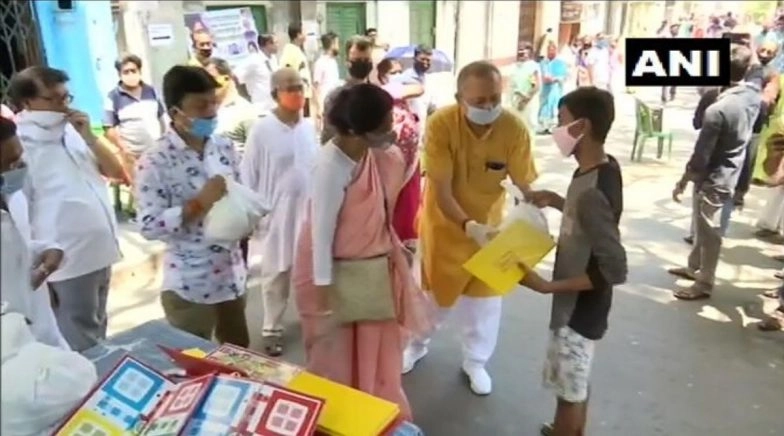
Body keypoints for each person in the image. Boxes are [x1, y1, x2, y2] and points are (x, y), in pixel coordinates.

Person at [291, 83, 432, 422]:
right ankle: (342, 421)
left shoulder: (370, 153)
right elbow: (321, 236)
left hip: (370, 273)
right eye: (385, 124)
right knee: (337, 360)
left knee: (375, 355)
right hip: (333, 276)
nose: (391, 129)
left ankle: (375, 414)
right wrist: (325, 298)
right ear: (358, 129)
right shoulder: (331, 165)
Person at [406, 61, 538, 395]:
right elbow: (442, 191)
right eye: (479, 101)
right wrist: (468, 226)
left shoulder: (514, 129)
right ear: (459, 97)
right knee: (432, 298)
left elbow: (524, 185)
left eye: (494, 98)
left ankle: (476, 362)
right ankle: (416, 344)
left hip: (492, 232)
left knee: (485, 303)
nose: (489, 107)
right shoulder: (441, 126)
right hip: (445, 227)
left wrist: (532, 216)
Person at [522, 86, 626, 436]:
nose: (557, 130)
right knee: (573, 384)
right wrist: (556, 201)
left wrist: (546, 286)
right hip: (580, 307)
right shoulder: (602, 168)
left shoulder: (593, 190)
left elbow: (613, 267)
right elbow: (594, 220)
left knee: (570, 391)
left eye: (562, 122)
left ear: (581, 127)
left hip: (578, 311)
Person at [9, 66, 125, 351]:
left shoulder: (72, 131)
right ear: (27, 103)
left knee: (97, 328)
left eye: (66, 97)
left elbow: (117, 172)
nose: (64, 106)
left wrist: (90, 137)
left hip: (100, 248)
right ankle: (89, 391)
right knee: (79, 338)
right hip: (66, 257)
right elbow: (17, 213)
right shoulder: (21, 146)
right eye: (54, 99)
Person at [134, 65, 251, 346]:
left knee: (240, 360)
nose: (211, 111)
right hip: (191, 286)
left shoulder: (223, 147)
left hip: (232, 276)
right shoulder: (155, 161)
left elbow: (241, 192)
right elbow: (149, 226)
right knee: (195, 364)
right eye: (201, 105)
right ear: (176, 112)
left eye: (214, 102)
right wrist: (197, 205)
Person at [669, 45, 761, 300]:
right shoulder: (752, 97)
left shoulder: (717, 109)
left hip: (714, 177)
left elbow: (701, 157)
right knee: (702, 225)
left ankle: (704, 283)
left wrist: (682, 182)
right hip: (731, 171)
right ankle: (693, 267)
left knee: (709, 233)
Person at [241, 68, 318, 356]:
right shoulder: (262, 130)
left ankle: (312, 324)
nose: (297, 93)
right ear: (275, 93)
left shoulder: (309, 127)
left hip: (309, 211)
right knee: (276, 273)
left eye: (300, 86)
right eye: (290, 88)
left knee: (309, 271)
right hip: (276, 213)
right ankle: (271, 328)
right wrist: (253, 215)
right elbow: (248, 174)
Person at [0, 117, 68, 348]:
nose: (18, 168)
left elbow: (14, 247)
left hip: (43, 330)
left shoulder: (14, 198)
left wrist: (47, 250)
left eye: (19, 158)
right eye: (9, 164)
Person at [320, 36, 424, 145]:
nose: (362, 63)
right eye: (357, 60)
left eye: (366, 60)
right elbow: (328, 135)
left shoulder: (376, 96)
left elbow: (382, 135)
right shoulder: (336, 97)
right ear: (347, 62)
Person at [377, 58, 423, 250]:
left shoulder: (404, 96)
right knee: (390, 196)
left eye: (399, 72)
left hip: (411, 157)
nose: (397, 76)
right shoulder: (381, 95)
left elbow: (419, 89)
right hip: (390, 157)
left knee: (409, 198)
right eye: (393, 73)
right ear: (381, 76)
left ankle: (407, 237)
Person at [103, 54, 166, 190]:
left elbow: (161, 118)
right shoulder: (113, 97)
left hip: (156, 153)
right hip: (133, 156)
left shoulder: (151, 91)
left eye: (134, 70)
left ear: (139, 71)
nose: (131, 74)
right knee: (141, 191)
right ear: (119, 74)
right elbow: (108, 129)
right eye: (126, 72)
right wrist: (124, 150)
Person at [204, 57, 258, 156]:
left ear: (227, 78)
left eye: (211, 79)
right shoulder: (206, 112)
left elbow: (259, 157)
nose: (206, 85)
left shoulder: (246, 112)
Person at [237, 34, 279, 115]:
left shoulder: (273, 59)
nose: (278, 45)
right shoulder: (253, 60)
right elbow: (236, 76)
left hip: (274, 106)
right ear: (268, 44)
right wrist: (246, 98)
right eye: (276, 43)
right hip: (260, 109)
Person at [280, 23, 313, 117]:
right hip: (297, 96)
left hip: (303, 94)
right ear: (298, 35)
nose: (306, 35)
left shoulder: (297, 50)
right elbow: (287, 73)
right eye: (304, 32)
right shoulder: (290, 52)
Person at [538, 41, 569, 134]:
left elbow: (563, 76)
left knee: (554, 106)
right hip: (545, 89)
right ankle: (544, 126)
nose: (551, 52)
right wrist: (545, 78)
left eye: (553, 50)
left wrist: (555, 79)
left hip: (556, 88)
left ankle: (553, 126)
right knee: (544, 106)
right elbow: (541, 74)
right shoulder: (543, 62)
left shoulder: (560, 63)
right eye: (549, 50)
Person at [313, 32, 341, 128]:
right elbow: (316, 86)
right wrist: (319, 107)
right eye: (337, 43)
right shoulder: (320, 63)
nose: (338, 46)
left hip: (335, 103)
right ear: (332, 44)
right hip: (325, 104)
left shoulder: (333, 61)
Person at [510, 44, 540, 133]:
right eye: (519, 50)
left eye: (524, 50)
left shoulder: (533, 66)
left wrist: (525, 100)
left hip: (528, 101)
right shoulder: (515, 67)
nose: (521, 53)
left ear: (529, 52)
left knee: (528, 127)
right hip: (516, 100)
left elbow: (535, 86)